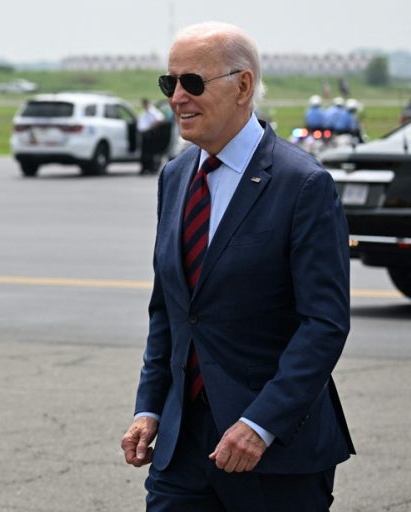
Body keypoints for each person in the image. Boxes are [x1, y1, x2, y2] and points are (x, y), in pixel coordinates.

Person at [120, 21, 354, 511]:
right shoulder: (176, 175)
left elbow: (323, 324)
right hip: (183, 445)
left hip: (273, 450)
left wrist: (260, 423)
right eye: (170, 83)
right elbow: (170, 310)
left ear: (243, 85)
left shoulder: (303, 184)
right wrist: (149, 406)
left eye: (193, 83)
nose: (177, 97)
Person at [138, 98, 166, 174]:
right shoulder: (144, 113)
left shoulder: (153, 112)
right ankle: (144, 168)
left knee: (150, 152)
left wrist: (152, 127)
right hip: (144, 134)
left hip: (150, 134)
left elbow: (160, 119)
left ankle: (151, 168)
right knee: (144, 152)